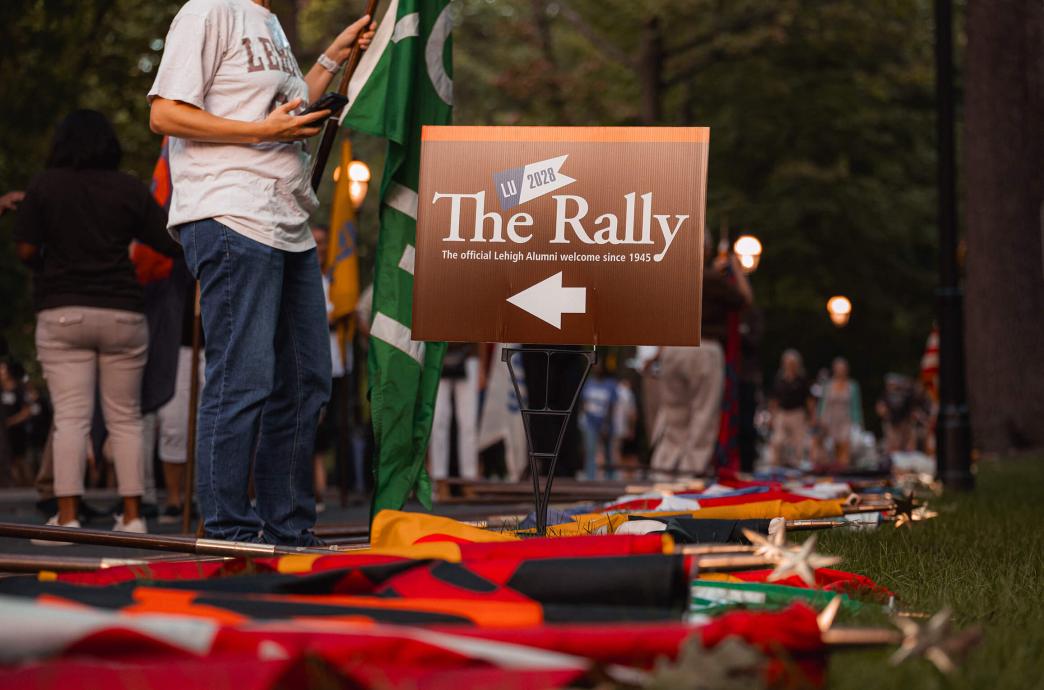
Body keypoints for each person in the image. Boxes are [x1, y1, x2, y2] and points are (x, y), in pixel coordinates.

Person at [148, 0, 375, 544]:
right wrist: (258, 132)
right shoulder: (207, 11)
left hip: (288, 220)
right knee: (243, 376)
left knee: (306, 382)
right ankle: (228, 530)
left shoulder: (268, 21)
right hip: (230, 212)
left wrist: (329, 58)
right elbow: (164, 113)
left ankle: (289, 528)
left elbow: (286, 111)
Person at [14, 109, 180, 537]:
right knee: (125, 418)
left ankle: (66, 518)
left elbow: (27, 250)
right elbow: (166, 242)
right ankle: (133, 516)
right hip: (123, 312)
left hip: (62, 310)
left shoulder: (44, 186)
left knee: (71, 418)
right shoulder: (128, 188)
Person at [650, 250, 753, 477]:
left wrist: (658, 353)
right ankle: (690, 477)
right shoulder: (712, 279)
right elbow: (745, 299)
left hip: (673, 348)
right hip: (703, 348)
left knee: (673, 416)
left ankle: (661, 474)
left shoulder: (674, 276)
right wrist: (736, 267)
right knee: (703, 416)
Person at [431, 344, 481, 490]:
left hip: (470, 356)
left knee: (468, 423)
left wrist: (482, 364)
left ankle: (469, 481)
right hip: (437, 354)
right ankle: (439, 482)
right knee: (438, 420)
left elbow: (482, 325)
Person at [815, 357, 863, 468]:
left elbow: (856, 405)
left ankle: (844, 468)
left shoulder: (852, 386)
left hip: (846, 418)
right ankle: (835, 471)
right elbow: (823, 403)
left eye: (842, 369)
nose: (840, 371)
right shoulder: (828, 385)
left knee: (845, 444)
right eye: (838, 369)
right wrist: (820, 417)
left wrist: (858, 422)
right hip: (831, 418)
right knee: (832, 447)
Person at [768, 349, 812, 468]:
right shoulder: (779, 378)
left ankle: (797, 465)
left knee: (798, 443)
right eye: (788, 363)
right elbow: (774, 399)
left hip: (797, 412)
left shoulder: (802, 379)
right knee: (778, 440)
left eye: (792, 363)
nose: (790, 365)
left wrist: (811, 416)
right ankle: (775, 465)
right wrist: (772, 415)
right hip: (782, 412)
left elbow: (808, 399)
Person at [579, 361, 616, 480]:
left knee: (608, 451)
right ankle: (590, 477)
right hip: (590, 423)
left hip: (605, 422)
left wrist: (607, 423)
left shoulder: (610, 384)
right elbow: (583, 403)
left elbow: (611, 405)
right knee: (590, 450)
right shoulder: (588, 383)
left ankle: (610, 477)